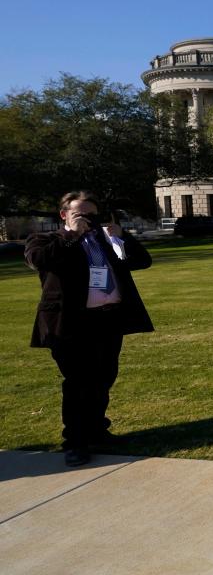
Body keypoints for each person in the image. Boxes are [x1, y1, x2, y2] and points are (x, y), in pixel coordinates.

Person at [25, 191, 154, 467]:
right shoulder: (47, 240)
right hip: (70, 325)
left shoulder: (106, 241)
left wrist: (122, 236)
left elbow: (142, 261)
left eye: (91, 215)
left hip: (107, 321)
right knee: (78, 383)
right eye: (79, 214)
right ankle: (75, 441)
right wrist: (73, 235)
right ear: (64, 215)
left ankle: (97, 431)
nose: (87, 220)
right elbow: (40, 261)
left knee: (104, 378)